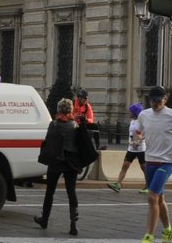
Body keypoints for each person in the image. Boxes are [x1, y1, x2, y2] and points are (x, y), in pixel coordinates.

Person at [134, 85, 172, 243]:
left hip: (167, 162)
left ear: (164, 100)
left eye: (158, 100)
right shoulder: (144, 115)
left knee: (152, 197)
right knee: (159, 198)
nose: (155, 104)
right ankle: (168, 230)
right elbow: (138, 131)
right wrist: (138, 138)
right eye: (152, 100)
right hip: (150, 160)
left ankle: (148, 238)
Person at [35, 98, 97, 236]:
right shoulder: (74, 125)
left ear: (58, 110)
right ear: (70, 110)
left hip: (56, 161)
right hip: (71, 162)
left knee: (50, 191)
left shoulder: (53, 125)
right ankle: (73, 225)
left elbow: (48, 142)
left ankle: (44, 219)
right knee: (71, 192)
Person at [108, 103, 149, 192]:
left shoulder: (141, 122)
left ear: (135, 112)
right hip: (131, 148)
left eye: (130, 111)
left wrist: (138, 142)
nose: (129, 113)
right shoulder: (132, 121)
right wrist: (132, 142)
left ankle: (148, 186)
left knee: (144, 168)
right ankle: (118, 184)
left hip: (141, 148)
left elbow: (144, 134)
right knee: (125, 165)